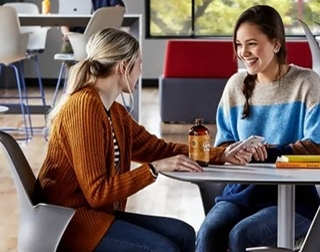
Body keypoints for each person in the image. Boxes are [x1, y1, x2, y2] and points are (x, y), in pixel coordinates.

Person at [38, 28, 254, 252]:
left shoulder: (114, 111)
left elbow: (158, 149)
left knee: (183, 234)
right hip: (70, 224)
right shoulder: (84, 108)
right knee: (163, 249)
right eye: (139, 63)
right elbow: (97, 193)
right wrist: (154, 169)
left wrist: (222, 154)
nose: (141, 70)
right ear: (123, 67)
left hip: (98, 217)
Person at [196, 5, 320, 252]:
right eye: (238, 44)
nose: (243, 52)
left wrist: (267, 152)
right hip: (241, 194)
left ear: (276, 44)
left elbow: (316, 148)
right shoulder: (235, 85)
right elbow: (222, 147)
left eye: (252, 44)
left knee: (241, 236)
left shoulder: (307, 82)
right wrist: (236, 151)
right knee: (208, 232)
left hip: (294, 201)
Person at [60, 0, 125, 53]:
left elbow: (119, 9)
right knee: (68, 47)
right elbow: (64, 21)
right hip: (77, 37)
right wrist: (67, 34)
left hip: (101, 36)